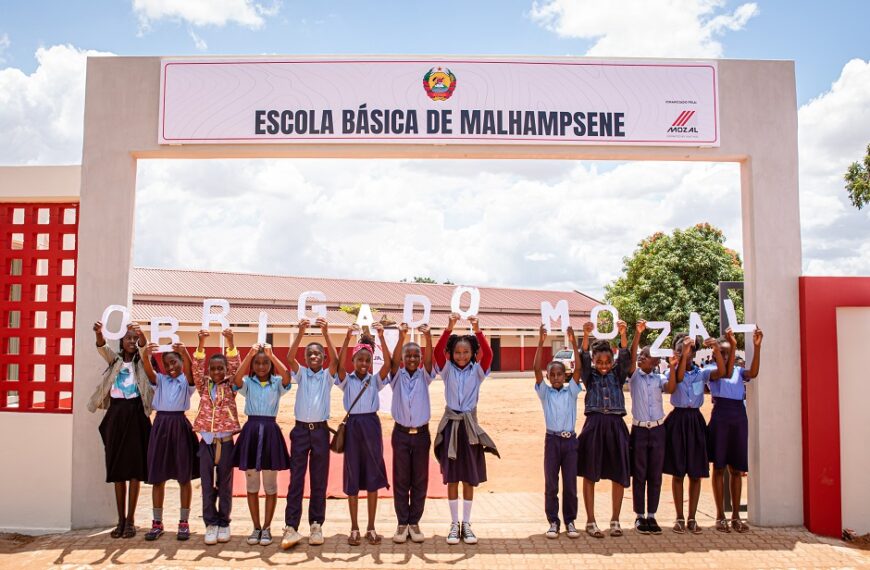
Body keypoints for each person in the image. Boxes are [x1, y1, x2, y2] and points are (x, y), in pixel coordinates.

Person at [432, 314, 499, 546]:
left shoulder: (478, 372)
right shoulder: (447, 370)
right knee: (452, 478)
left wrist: (478, 330)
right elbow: (437, 352)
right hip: (451, 427)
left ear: (472, 354)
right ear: (452, 354)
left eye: (466, 352)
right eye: (457, 352)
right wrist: (449, 328)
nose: (462, 356)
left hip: (470, 428)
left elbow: (489, 355)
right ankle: (453, 524)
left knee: (469, 478)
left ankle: (467, 524)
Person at [281, 317, 342, 549]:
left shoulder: (327, 376)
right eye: (310, 354)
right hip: (299, 431)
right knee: (296, 480)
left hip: (320, 432)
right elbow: (289, 358)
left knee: (319, 480)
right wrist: (301, 331)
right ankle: (291, 527)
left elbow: (336, 360)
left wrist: (326, 333)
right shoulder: (302, 374)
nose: (314, 357)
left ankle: (316, 525)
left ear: (323, 358)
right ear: (306, 359)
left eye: (318, 354)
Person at [88, 321, 152, 539]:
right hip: (116, 415)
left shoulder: (142, 362)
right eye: (128, 338)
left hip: (136, 416)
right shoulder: (114, 360)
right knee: (117, 470)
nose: (132, 342)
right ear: (121, 342)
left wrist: (141, 334)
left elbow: (145, 348)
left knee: (135, 469)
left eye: (135, 338)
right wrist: (99, 333)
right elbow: (102, 347)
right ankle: (120, 520)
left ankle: (131, 520)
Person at [576, 320, 637, 538]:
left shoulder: (617, 376)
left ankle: (615, 519)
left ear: (612, 361)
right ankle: (591, 521)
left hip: (615, 425)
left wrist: (623, 334)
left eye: (607, 361)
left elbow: (626, 358)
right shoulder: (589, 377)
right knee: (590, 473)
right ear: (594, 361)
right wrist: (585, 335)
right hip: (594, 426)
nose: (603, 364)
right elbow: (582, 358)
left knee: (619, 473)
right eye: (599, 361)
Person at [334, 323, 391, 546]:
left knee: (373, 474)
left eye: (368, 360)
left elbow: (389, 364)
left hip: (371, 426)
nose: (364, 364)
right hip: (353, 427)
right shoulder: (346, 380)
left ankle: (371, 527)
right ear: (354, 361)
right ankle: (354, 527)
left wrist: (382, 337)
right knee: (353, 474)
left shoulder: (375, 381)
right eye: (360, 360)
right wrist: (347, 338)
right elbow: (338, 365)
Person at [663, 333, 725, 534]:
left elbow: (722, 372)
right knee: (678, 471)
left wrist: (716, 349)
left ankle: (692, 517)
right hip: (677, 420)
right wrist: (680, 359)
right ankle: (679, 517)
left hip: (695, 421)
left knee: (696, 473)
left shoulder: (702, 372)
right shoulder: (671, 371)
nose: (686, 354)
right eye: (681, 350)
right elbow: (678, 379)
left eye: (689, 350)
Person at [232, 343, 292, 547]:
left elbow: (287, 377)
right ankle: (256, 527)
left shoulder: (276, 383)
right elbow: (236, 380)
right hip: (250, 431)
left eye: (265, 362)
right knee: (251, 484)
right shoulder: (248, 382)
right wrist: (248, 355)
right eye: (257, 363)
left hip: (270, 432)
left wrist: (272, 355)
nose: (261, 366)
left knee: (270, 484)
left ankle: (267, 528)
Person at [707, 327, 764, 533]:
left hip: (738, 416)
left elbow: (754, 372)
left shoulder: (739, 371)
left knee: (737, 469)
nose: (724, 354)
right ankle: (720, 515)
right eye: (721, 351)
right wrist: (733, 347)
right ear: (714, 353)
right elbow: (726, 371)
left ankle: (736, 516)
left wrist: (757, 348)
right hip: (721, 416)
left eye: (727, 351)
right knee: (719, 467)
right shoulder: (713, 371)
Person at [141, 341, 199, 541]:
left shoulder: (186, 382)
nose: (171, 367)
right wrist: (145, 354)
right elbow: (148, 370)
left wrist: (185, 351)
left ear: (181, 362)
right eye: (167, 364)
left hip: (180, 426)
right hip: (161, 427)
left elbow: (192, 371)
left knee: (184, 476)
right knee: (158, 476)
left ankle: (184, 522)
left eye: (174, 362)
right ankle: (157, 522)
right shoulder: (160, 380)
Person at [627, 321, 679, 535]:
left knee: (655, 474)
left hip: (658, 431)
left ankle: (652, 516)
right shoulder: (634, 378)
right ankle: (639, 516)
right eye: (641, 355)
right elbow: (630, 358)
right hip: (639, 431)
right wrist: (637, 335)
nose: (641, 357)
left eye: (646, 356)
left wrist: (674, 366)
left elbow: (672, 388)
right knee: (639, 474)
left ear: (656, 361)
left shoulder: (660, 378)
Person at [191, 329, 241, 545]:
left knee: (225, 485)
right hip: (207, 443)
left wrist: (230, 342)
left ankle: (224, 522)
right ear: (209, 371)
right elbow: (196, 368)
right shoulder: (203, 386)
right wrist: (201, 344)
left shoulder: (231, 386)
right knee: (206, 484)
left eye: (221, 368)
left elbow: (236, 366)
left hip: (226, 443)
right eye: (214, 369)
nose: (218, 372)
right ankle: (210, 523)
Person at [533, 324, 582, 540]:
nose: (555, 377)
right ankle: (553, 521)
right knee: (551, 483)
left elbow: (579, 370)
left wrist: (573, 341)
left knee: (570, 483)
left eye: (559, 374)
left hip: (570, 442)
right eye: (551, 374)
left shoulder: (572, 391)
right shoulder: (546, 394)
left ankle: (570, 520)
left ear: (565, 376)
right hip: (552, 441)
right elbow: (535, 370)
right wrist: (541, 342)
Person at [387, 322, 435, 544]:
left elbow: (429, 360)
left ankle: (414, 522)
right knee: (401, 479)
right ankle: (401, 523)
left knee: (419, 479)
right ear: (404, 359)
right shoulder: (397, 376)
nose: (413, 359)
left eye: (417, 356)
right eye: (409, 356)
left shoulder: (425, 376)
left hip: (422, 435)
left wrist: (428, 338)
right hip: (401, 434)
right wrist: (401, 337)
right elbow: (394, 361)